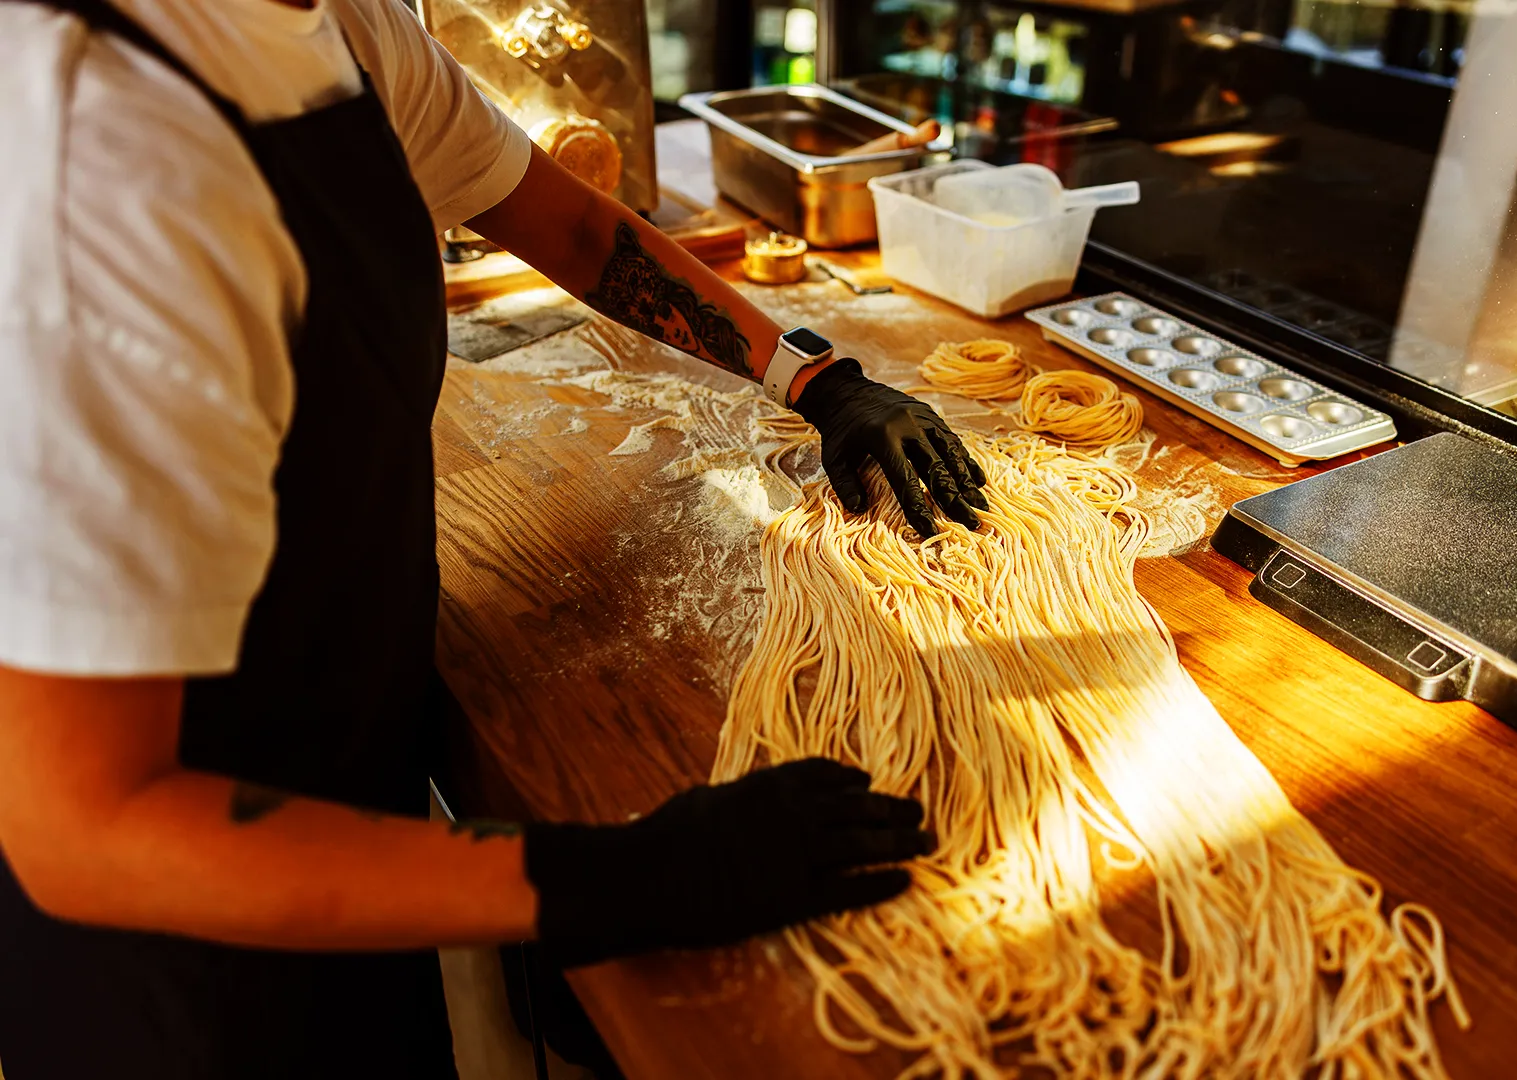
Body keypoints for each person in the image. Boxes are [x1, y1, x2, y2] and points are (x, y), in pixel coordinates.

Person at [0, 0, 988, 1076]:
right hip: (179, 964)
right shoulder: (93, 166)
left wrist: (815, 377)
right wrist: (628, 877)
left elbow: (567, 226)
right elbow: (84, 829)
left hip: (347, 782)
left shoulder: (343, 27)